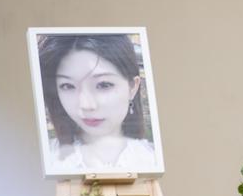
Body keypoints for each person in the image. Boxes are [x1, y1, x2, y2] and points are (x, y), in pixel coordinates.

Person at [39, 34, 156, 172]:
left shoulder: (150, 159)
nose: (86, 105)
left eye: (103, 85)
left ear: (133, 87)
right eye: (68, 86)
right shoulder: (50, 160)